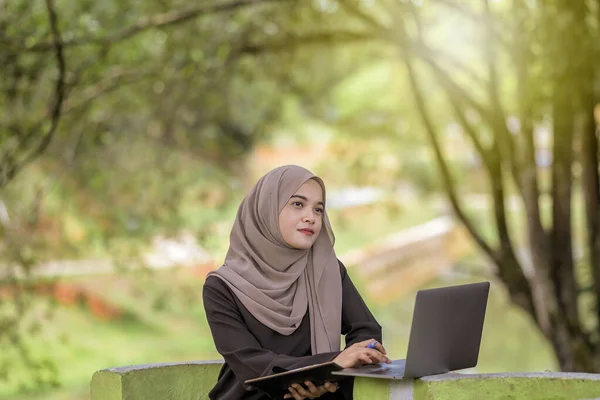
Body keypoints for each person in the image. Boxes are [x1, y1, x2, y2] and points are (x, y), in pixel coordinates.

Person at [203, 165, 390, 400]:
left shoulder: (328, 271)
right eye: (298, 204)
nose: (310, 217)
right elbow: (251, 363)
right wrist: (327, 366)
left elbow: (366, 330)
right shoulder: (222, 286)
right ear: (266, 209)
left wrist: (330, 376)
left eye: (318, 209)